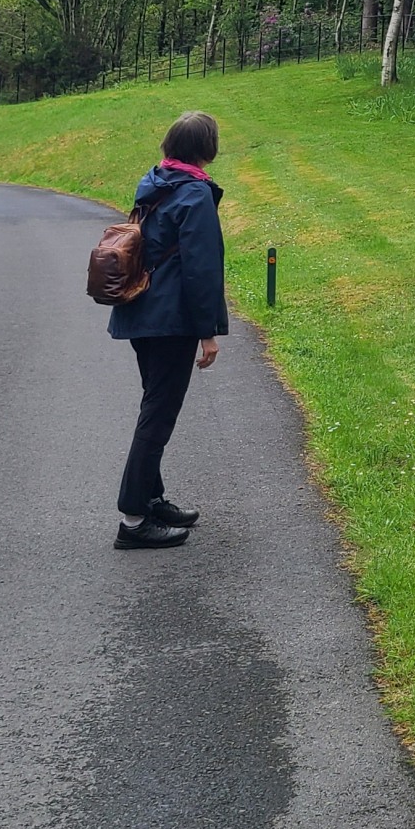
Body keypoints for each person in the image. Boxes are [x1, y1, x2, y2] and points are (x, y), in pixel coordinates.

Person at [109, 110, 228, 550]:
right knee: (158, 415)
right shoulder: (194, 193)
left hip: (141, 311)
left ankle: (151, 499)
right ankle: (134, 519)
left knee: (154, 405)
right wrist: (207, 331)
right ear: (207, 148)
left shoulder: (156, 181)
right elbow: (201, 269)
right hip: (170, 319)